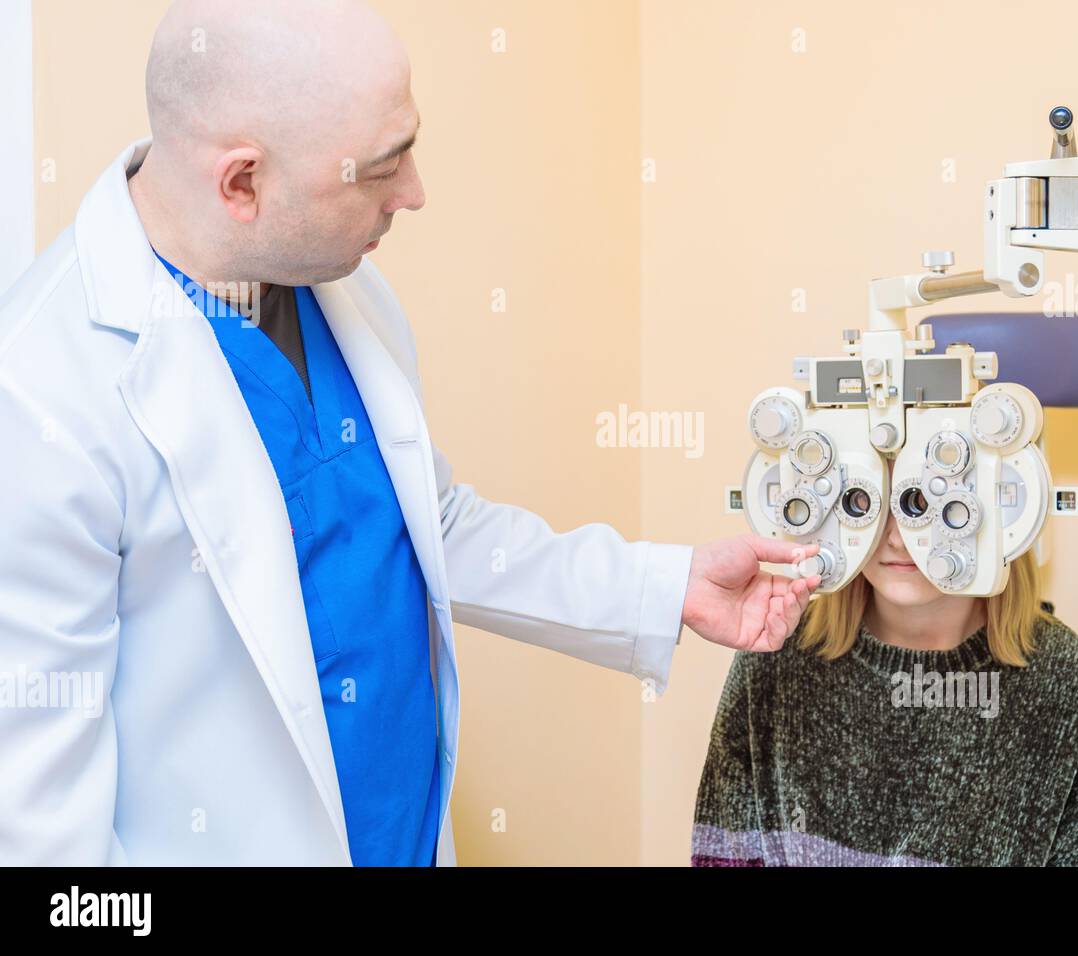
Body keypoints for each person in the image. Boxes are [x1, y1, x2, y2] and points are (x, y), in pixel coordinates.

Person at [0, 0, 820, 866]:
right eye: (381, 169)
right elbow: (46, 840)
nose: (416, 194)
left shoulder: (335, 287)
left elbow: (425, 527)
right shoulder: (45, 394)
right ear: (242, 182)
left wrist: (664, 586)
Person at [692, 461, 1078, 866]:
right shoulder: (775, 657)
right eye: (865, 500)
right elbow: (723, 852)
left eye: (923, 500)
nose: (896, 535)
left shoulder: (1073, 685)